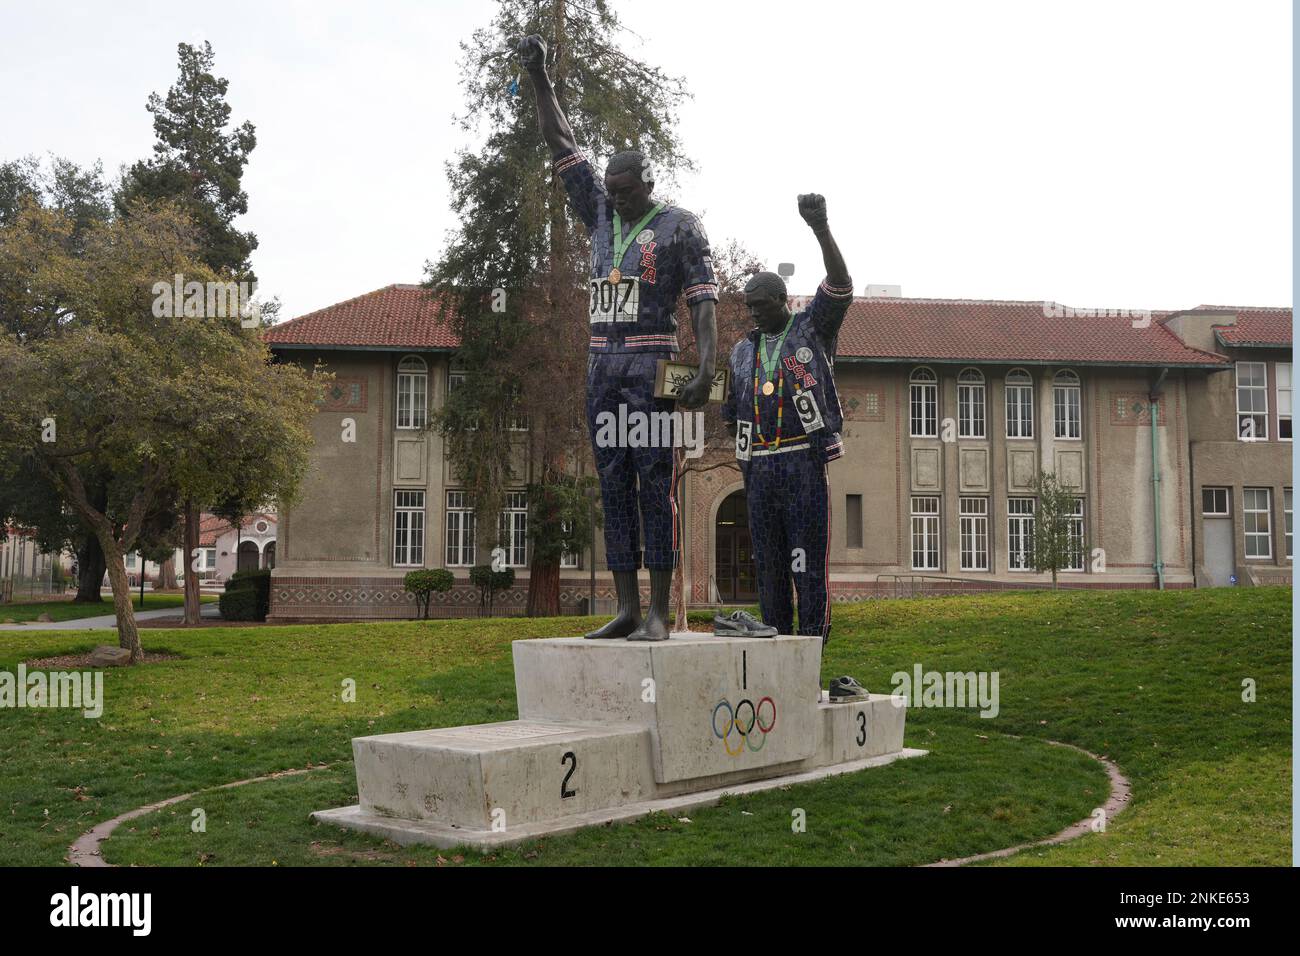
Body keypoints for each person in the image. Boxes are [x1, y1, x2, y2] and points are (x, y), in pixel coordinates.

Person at [518, 34, 718, 642]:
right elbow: (561, 142)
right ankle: (627, 604)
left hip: (651, 365)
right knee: (612, 484)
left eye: (624, 189)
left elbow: (704, 302)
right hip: (600, 367)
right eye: (609, 187)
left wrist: (707, 366)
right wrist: (540, 76)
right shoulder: (601, 212)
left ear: (647, 184)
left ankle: (660, 608)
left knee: (654, 482)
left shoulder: (680, 227)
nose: (614, 195)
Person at [721, 194, 853, 651]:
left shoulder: (810, 329)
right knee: (770, 565)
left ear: (782, 299)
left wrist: (820, 228)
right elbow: (730, 414)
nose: (752, 312)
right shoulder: (740, 353)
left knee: (807, 565)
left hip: (803, 462)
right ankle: (773, 650)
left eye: (760, 304)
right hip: (760, 469)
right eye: (748, 306)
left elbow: (840, 284)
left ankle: (811, 650)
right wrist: (747, 466)